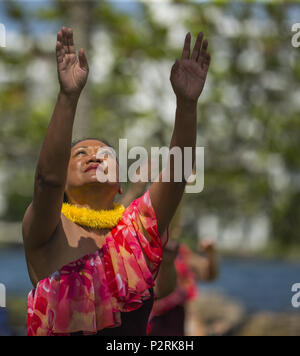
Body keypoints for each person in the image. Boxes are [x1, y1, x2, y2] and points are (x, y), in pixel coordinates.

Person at [22, 27, 211, 336]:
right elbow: (47, 180)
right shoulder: (47, 228)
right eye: (80, 153)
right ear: (64, 186)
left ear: (120, 184)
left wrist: (187, 106)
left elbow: (178, 175)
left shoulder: (137, 229)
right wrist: (68, 97)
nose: (93, 157)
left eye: (105, 154)